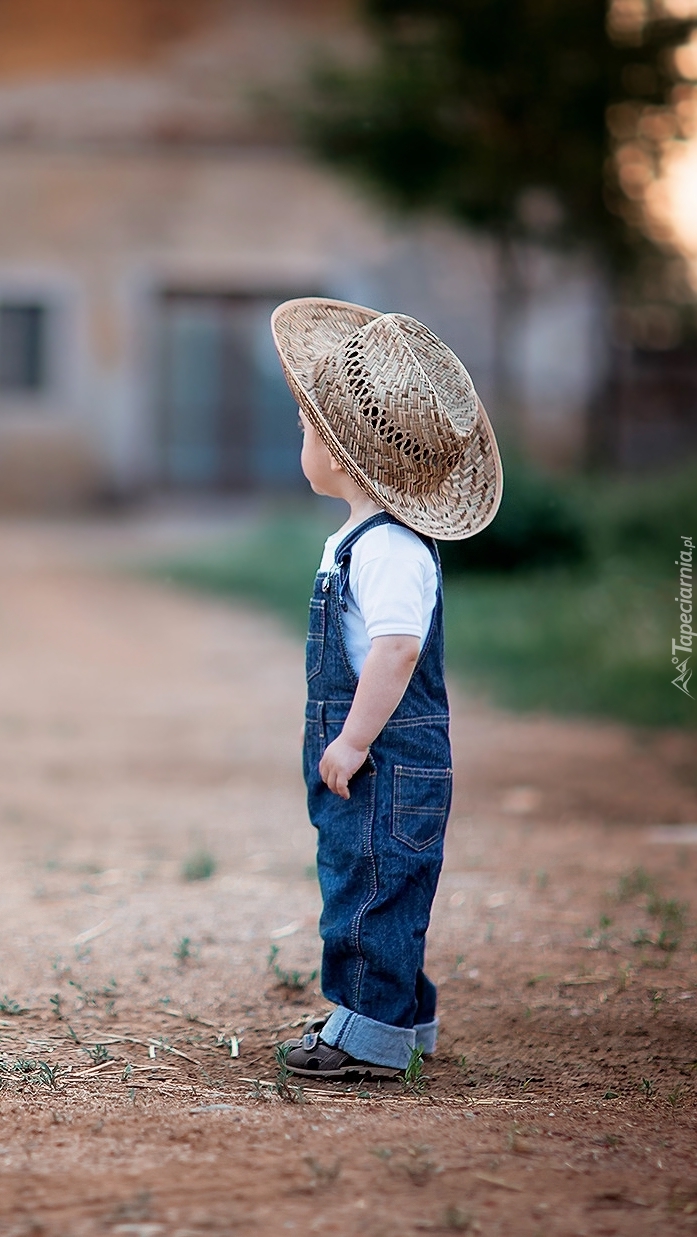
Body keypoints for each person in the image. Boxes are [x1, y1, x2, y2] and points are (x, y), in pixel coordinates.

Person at [270, 297, 502, 1078]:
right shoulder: (360, 538)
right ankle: (401, 1017)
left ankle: (368, 1032)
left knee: (372, 884)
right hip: (375, 751)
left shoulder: (389, 548)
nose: (298, 440)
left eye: (305, 429)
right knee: (372, 875)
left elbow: (397, 651)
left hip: (389, 753)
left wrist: (355, 737)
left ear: (337, 451)